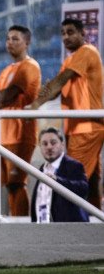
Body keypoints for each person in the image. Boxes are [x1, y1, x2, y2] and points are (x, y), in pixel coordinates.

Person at [29, 18, 104, 210]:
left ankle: (71, 227)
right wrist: (39, 98)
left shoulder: (87, 51)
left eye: (70, 32)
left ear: (82, 34)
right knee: (91, 180)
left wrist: (36, 104)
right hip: (78, 127)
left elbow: (59, 82)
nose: (65, 37)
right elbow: (55, 89)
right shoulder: (70, 60)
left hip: (86, 127)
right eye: (62, 33)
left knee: (72, 182)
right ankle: (94, 224)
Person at [0, 25, 41, 216]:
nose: (10, 42)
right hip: (2, 134)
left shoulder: (30, 67)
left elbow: (4, 97)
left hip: (20, 133)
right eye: (8, 38)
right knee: (9, 185)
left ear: (27, 42)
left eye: (15, 39)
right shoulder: (6, 70)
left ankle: (22, 225)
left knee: (17, 183)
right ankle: (14, 221)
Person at [31, 127, 89, 223]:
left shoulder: (74, 165)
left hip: (69, 231)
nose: (49, 147)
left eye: (53, 143)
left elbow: (83, 189)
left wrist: (57, 181)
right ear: (40, 147)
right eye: (44, 144)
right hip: (44, 229)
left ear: (62, 145)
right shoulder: (42, 168)